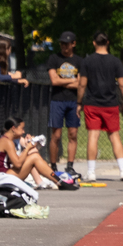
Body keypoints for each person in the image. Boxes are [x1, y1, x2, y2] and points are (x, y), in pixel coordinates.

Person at [80, 32, 123, 182]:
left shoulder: (87, 61)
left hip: (92, 104)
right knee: (114, 136)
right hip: (111, 104)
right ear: (108, 42)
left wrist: (78, 102)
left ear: (94, 43)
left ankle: (91, 172)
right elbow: (122, 85)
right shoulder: (115, 61)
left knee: (93, 136)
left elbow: (82, 84)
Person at [46, 32, 82, 172]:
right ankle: (53, 166)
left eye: (67, 44)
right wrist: (72, 80)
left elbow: (80, 84)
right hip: (57, 100)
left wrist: (63, 82)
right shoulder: (54, 59)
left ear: (73, 44)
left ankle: (70, 166)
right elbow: (54, 80)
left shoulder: (79, 61)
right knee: (56, 135)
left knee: (73, 134)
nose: (64, 47)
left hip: (73, 101)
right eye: (62, 44)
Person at [0, 118, 57, 185]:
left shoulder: (4, 139)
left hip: (0, 175)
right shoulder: (7, 141)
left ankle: (58, 181)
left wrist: (28, 148)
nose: (23, 132)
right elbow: (18, 164)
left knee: (33, 156)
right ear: (13, 129)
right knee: (34, 157)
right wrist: (27, 148)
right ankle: (58, 181)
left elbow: (17, 160)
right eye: (22, 128)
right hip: (0, 177)